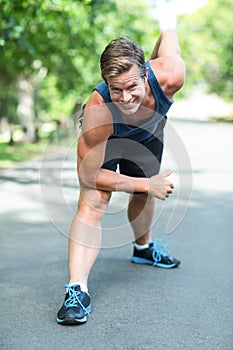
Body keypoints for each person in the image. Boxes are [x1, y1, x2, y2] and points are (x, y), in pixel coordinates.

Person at [56, 29, 186, 325]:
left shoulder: (171, 74)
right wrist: (147, 184)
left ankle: (143, 249)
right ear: (106, 83)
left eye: (131, 87)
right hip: (111, 135)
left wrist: (144, 185)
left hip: (151, 129)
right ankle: (77, 290)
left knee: (142, 193)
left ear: (145, 73)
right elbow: (88, 175)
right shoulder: (98, 109)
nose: (125, 98)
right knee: (95, 197)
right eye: (116, 89)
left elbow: (169, 33)